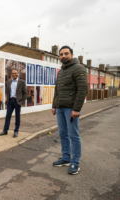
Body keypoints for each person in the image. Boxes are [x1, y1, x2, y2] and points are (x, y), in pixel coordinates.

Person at [52, 46, 88, 175]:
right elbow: (57, 90)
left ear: (72, 55)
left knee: (73, 135)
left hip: (71, 109)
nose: (63, 56)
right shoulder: (61, 71)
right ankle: (66, 158)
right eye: (61, 54)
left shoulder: (79, 68)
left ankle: (75, 163)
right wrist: (54, 105)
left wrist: (76, 109)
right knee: (63, 134)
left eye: (66, 53)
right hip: (60, 108)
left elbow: (82, 89)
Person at [0, 69, 27, 138]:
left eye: (15, 73)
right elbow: (8, 92)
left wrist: (22, 101)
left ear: (18, 74)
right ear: (11, 74)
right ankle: (5, 130)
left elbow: (25, 92)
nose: (14, 74)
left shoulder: (21, 82)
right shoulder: (9, 81)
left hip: (17, 102)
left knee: (17, 117)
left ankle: (16, 131)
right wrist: (7, 100)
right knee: (8, 115)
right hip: (10, 101)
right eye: (13, 73)